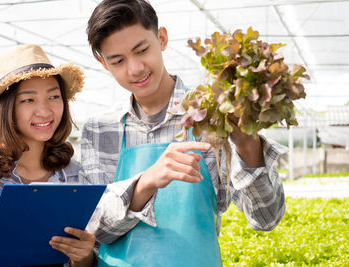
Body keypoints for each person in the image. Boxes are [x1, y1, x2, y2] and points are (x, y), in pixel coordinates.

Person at [82, 0, 287, 266]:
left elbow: (266, 218)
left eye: (142, 50)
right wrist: (145, 183)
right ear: (103, 64)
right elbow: (93, 231)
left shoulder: (214, 116)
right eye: (118, 61)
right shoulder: (99, 131)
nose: (135, 69)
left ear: (162, 38)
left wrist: (247, 144)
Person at [0, 44, 95, 267]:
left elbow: (88, 255)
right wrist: (15, 234)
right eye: (28, 100)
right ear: (6, 107)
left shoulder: (74, 173)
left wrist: (84, 256)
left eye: (54, 96)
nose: (45, 111)